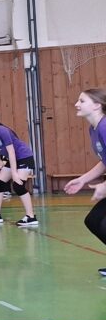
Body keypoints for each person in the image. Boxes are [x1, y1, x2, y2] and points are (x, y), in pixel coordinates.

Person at [63, 89, 106, 277]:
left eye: (82, 101)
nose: (76, 104)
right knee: (94, 221)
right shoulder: (94, 129)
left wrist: (104, 186)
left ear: (97, 105)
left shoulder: (105, 127)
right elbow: (104, 161)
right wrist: (83, 179)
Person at [0, 111, 38, 227]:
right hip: (13, 160)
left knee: (18, 186)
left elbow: (11, 152)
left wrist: (14, 173)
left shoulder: (2, 131)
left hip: (24, 158)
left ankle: (31, 217)